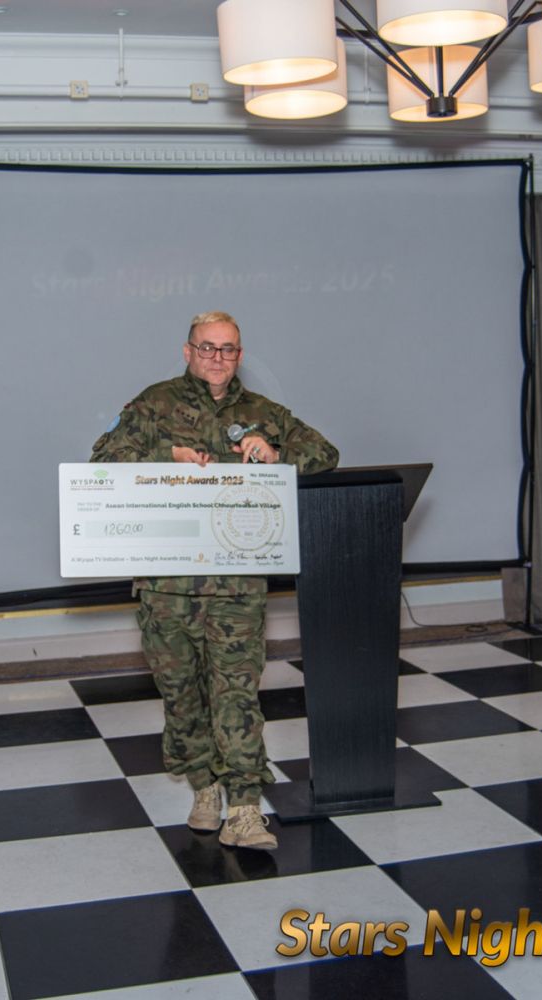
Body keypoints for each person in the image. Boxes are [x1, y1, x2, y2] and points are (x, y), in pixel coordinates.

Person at [90, 311, 338, 850]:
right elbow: (103, 459)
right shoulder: (153, 404)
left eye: (228, 349)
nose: (217, 358)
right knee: (182, 696)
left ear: (240, 356)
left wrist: (278, 455)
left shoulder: (263, 413)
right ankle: (204, 785)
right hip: (167, 587)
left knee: (236, 695)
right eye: (207, 347)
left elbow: (325, 453)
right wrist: (167, 458)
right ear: (188, 351)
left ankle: (245, 808)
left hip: (236, 585)